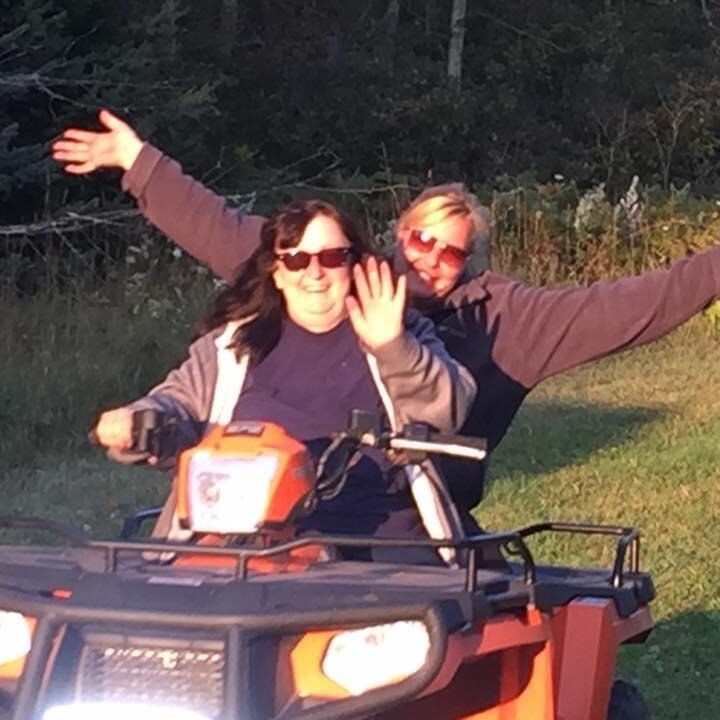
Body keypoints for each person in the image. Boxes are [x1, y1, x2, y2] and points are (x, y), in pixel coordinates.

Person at [53, 110, 720, 530]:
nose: (430, 258)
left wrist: (393, 346)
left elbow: (633, 304)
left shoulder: (504, 319)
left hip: (404, 517)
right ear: (395, 237)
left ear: (470, 261)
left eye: (451, 251)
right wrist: (139, 163)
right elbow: (220, 228)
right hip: (254, 514)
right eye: (420, 239)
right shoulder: (318, 276)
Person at [94, 198, 476, 564]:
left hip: (372, 540)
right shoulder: (231, 346)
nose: (315, 272)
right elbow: (175, 404)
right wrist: (137, 423)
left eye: (332, 257)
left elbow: (450, 407)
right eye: (296, 259)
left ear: (353, 264)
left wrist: (393, 348)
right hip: (241, 542)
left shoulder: (399, 329)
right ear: (276, 272)